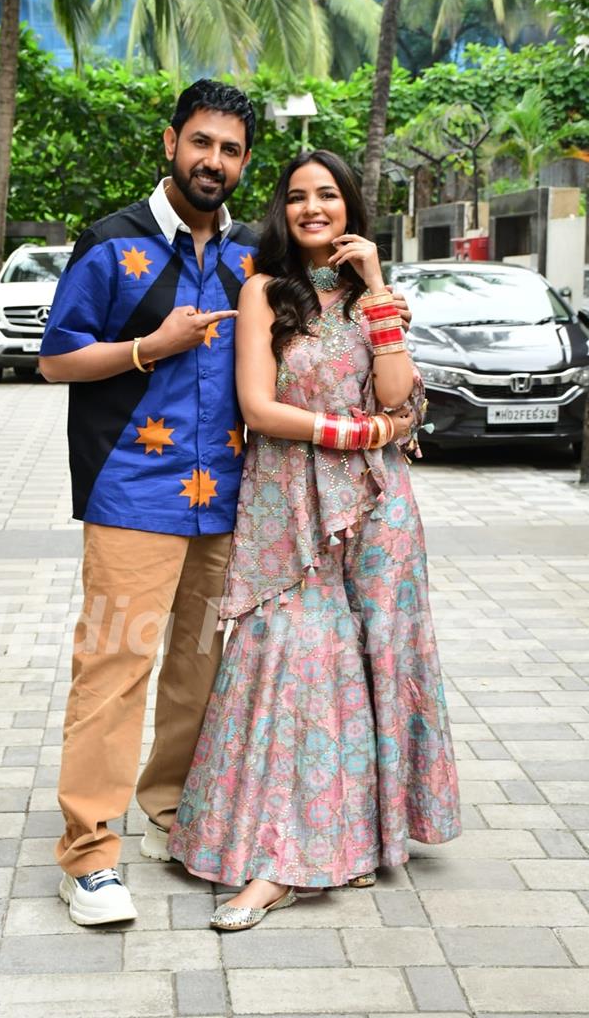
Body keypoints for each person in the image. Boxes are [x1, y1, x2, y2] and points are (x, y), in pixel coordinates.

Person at [168, 149, 461, 930]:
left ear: (351, 207)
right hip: (289, 510)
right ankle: (277, 857)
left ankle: (367, 837)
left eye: (327, 195)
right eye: (297, 197)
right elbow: (260, 409)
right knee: (297, 668)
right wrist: (360, 430)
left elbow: (402, 396)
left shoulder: (375, 296)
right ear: (282, 212)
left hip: (378, 508)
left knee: (382, 661)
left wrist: (376, 294)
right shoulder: (265, 291)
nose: (312, 208)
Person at [38, 80, 258, 925]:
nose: (214, 161)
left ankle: (170, 811)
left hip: (225, 500)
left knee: (198, 667)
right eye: (201, 143)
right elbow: (57, 360)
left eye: (231, 149)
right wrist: (146, 348)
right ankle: (89, 854)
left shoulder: (250, 256)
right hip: (131, 492)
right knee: (114, 668)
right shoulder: (111, 244)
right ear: (171, 143)